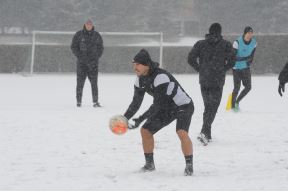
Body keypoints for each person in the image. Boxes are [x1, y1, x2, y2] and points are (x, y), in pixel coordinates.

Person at [123, 49, 195, 176]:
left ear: (146, 65)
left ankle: (189, 166)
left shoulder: (160, 76)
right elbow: (136, 103)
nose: (135, 68)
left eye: (138, 64)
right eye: (134, 64)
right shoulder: (139, 79)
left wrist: (140, 119)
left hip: (183, 105)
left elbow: (158, 104)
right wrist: (124, 118)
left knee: (181, 132)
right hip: (166, 108)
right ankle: (149, 164)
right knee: (145, 131)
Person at [187, 23, 235, 145]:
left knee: (208, 107)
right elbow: (233, 60)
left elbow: (190, 58)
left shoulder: (200, 44)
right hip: (218, 80)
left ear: (209, 31)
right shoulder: (226, 45)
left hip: (204, 80)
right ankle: (204, 132)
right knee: (212, 107)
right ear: (220, 31)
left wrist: (200, 69)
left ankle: (206, 134)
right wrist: (223, 68)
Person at [71, 18, 104, 107]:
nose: (89, 25)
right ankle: (79, 102)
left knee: (94, 83)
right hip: (81, 64)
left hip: (93, 65)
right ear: (84, 25)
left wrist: (96, 58)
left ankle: (95, 102)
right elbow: (73, 47)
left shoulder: (97, 35)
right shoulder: (79, 35)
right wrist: (80, 56)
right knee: (80, 83)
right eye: (87, 24)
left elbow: (101, 48)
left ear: (92, 25)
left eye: (90, 24)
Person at [231, 26, 257, 111]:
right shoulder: (237, 42)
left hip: (246, 68)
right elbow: (233, 57)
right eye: (248, 33)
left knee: (248, 87)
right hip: (236, 68)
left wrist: (250, 61)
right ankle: (232, 107)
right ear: (244, 33)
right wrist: (244, 59)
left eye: (251, 33)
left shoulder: (254, 43)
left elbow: (252, 55)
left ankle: (237, 102)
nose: (250, 35)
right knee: (236, 88)